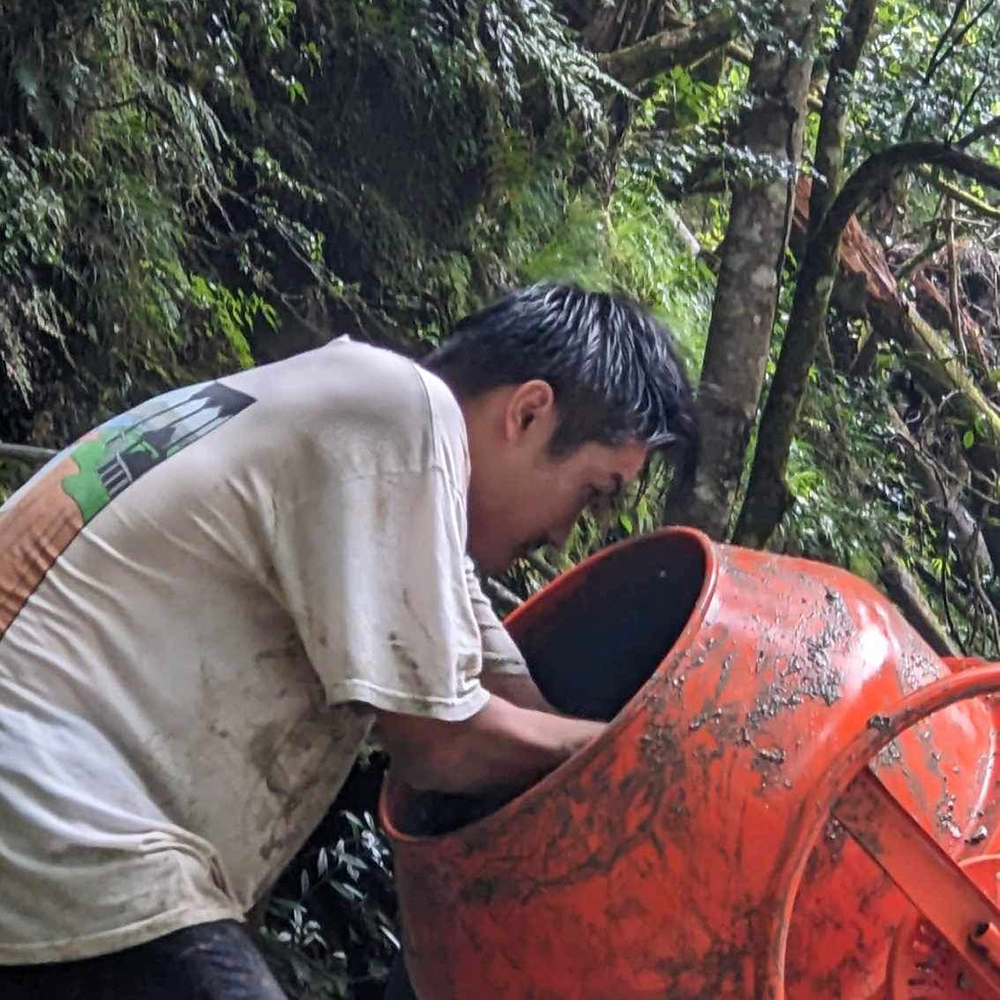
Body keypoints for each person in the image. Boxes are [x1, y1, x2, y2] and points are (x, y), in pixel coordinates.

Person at [0, 283, 697, 999]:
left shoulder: (358, 427)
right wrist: (641, 757)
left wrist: (602, 743)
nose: (562, 535)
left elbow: (512, 698)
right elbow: (443, 740)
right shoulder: (400, 414)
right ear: (527, 412)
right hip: (57, 816)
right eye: (590, 493)